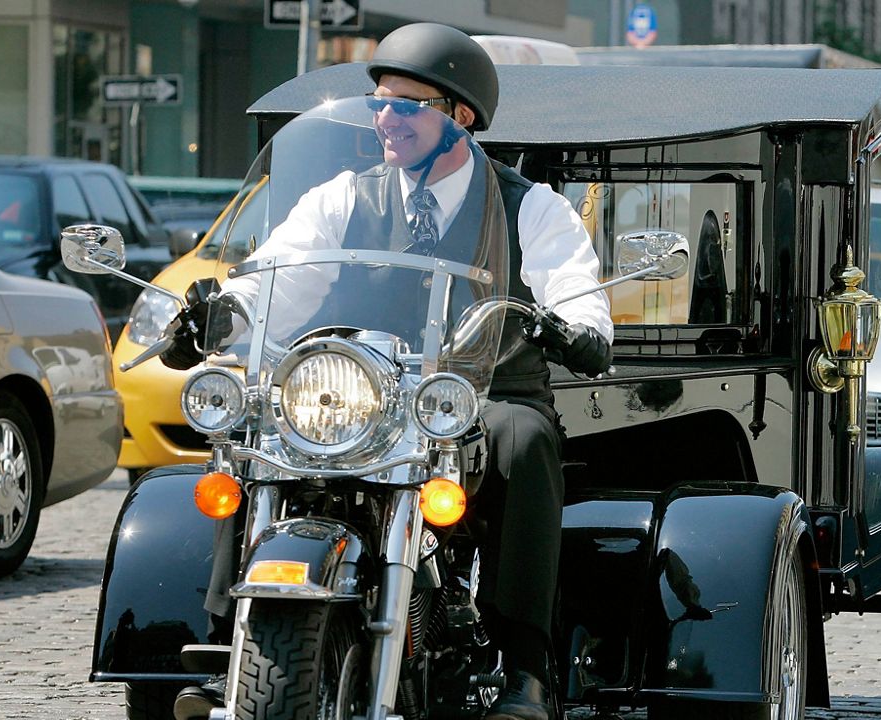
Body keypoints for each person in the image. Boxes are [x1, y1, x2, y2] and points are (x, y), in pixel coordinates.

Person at [160, 23, 611, 720]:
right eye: (378, 101)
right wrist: (223, 314)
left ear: (459, 116)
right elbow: (280, 275)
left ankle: (526, 666)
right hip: (359, 390)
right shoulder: (344, 197)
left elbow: (576, 292)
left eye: (405, 105)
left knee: (525, 439)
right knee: (257, 430)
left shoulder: (531, 207)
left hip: (476, 392)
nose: (384, 118)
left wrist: (574, 323)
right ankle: (231, 647)